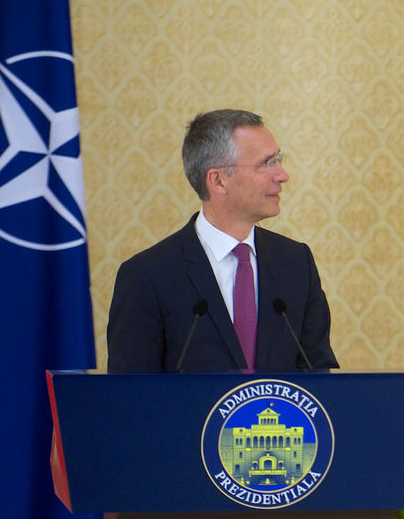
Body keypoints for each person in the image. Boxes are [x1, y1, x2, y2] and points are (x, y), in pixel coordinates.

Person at [107, 109, 339, 372]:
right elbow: (130, 396)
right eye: (266, 163)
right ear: (218, 180)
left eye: (278, 159)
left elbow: (318, 372)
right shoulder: (147, 276)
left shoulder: (296, 263)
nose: (282, 175)